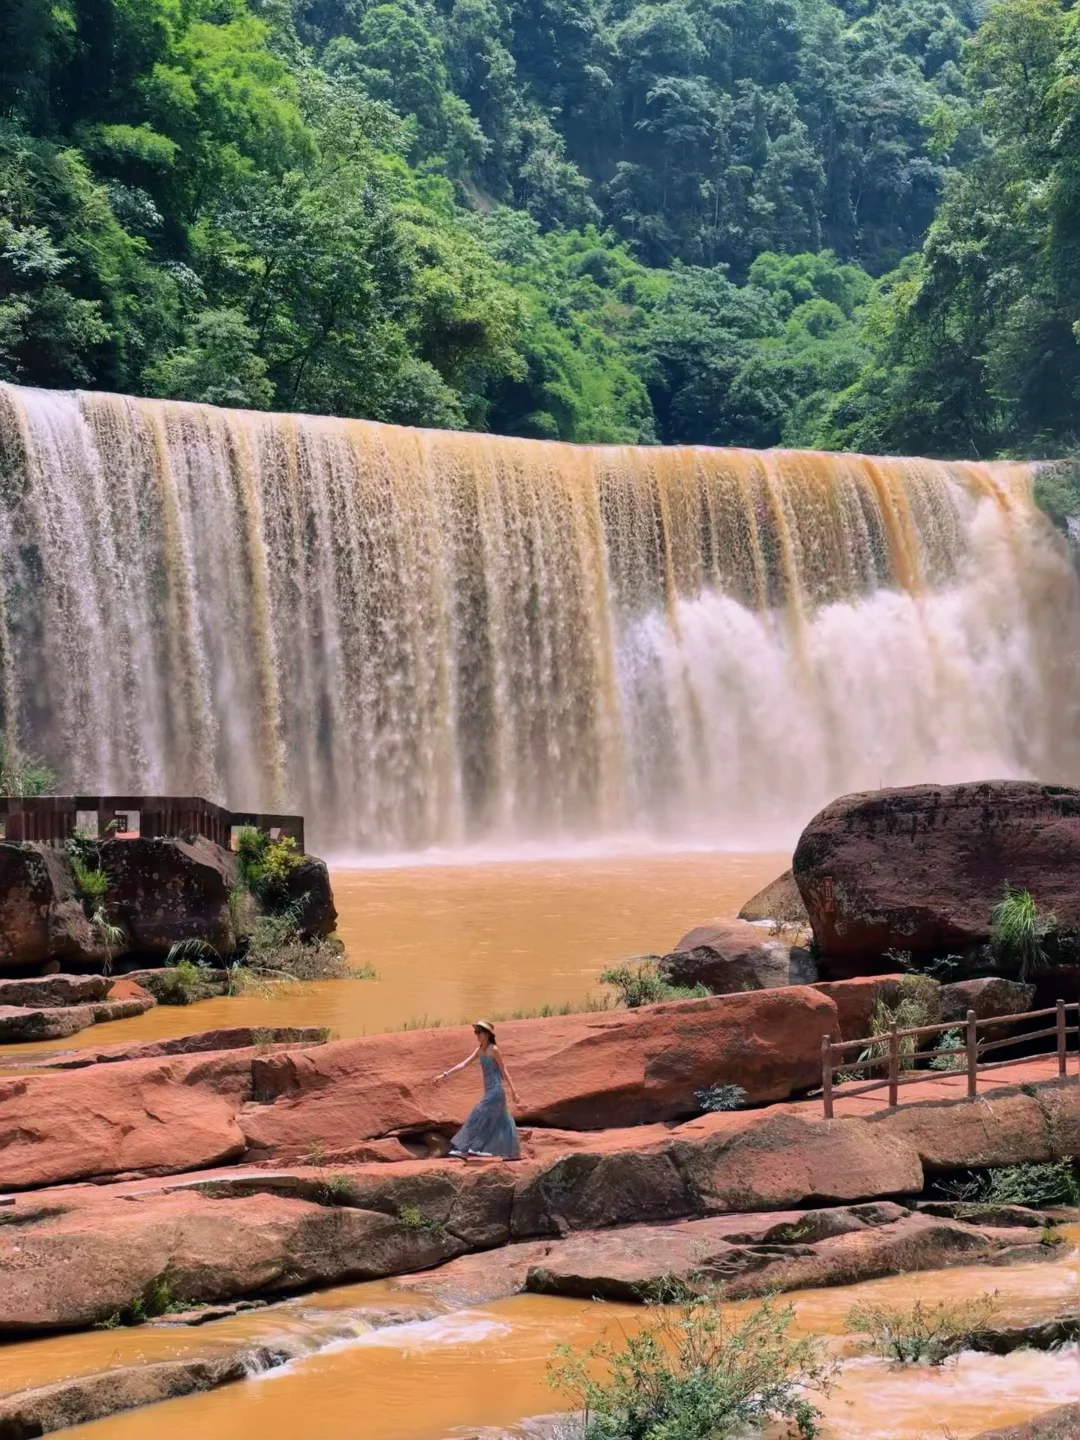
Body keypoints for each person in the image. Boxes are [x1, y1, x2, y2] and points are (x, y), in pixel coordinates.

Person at [433, 1020, 521, 1160]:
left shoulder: (493, 1049)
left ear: (487, 1034)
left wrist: (514, 1091)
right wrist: (445, 1074)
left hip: (496, 1091)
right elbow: (464, 1063)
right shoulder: (480, 1050)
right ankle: (510, 1153)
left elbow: (503, 1070)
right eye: (476, 1032)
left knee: (477, 1114)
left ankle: (465, 1148)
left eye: (479, 1032)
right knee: (501, 1120)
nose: (477, 1035)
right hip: (489, 1091)